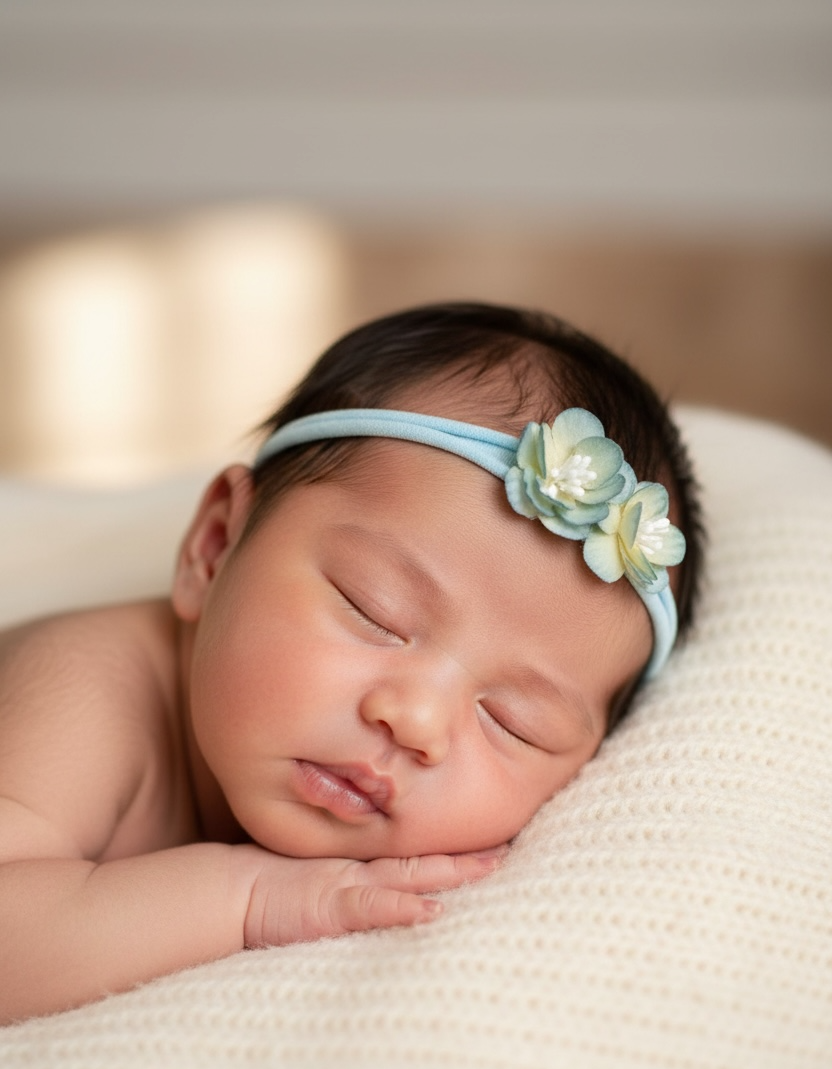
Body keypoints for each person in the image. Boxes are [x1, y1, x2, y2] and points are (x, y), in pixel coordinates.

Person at [0, 302, 703, 1024]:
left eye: (512, 723)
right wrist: (247, 898)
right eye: (375, 612)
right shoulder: (79, 691)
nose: (416, 721)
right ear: (215, 547)